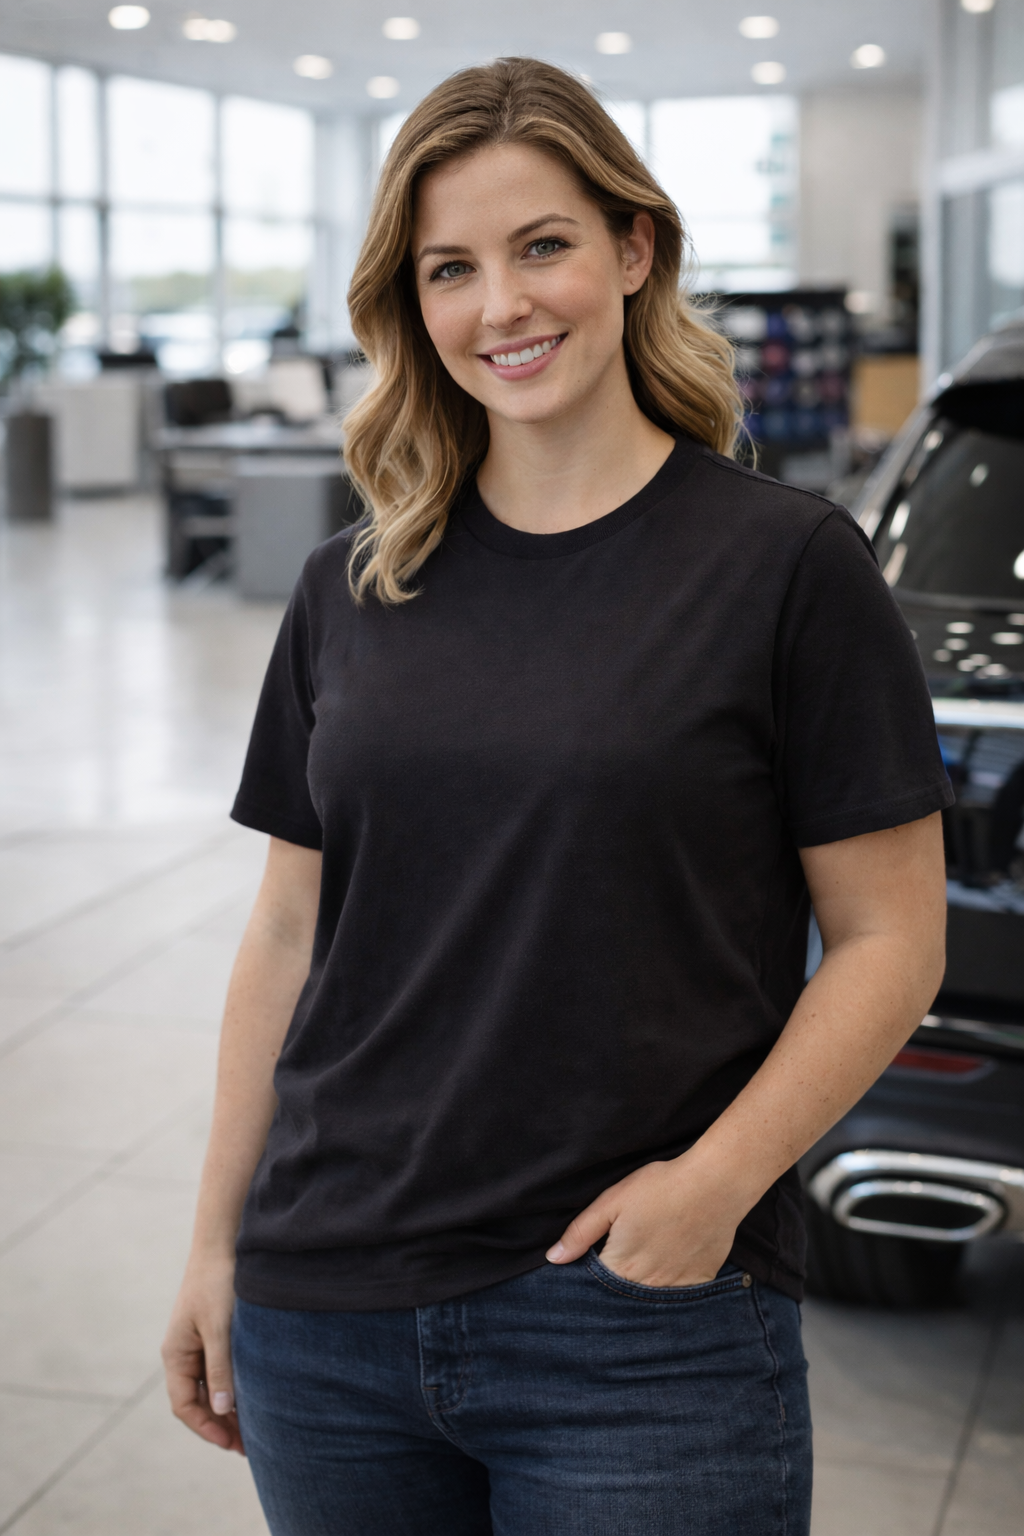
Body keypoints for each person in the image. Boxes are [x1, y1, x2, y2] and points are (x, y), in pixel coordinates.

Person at [162, 57, 951, 1536]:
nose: (500, 307)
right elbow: (284, 940)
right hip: (326, 1309)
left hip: (638, 1327)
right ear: (411, 305)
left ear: (633, 249)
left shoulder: (783, 568)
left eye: (542, 247)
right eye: (449, 269)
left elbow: (894, 939)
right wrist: (215, 1244)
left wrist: (714, 1188)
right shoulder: (352, 585)